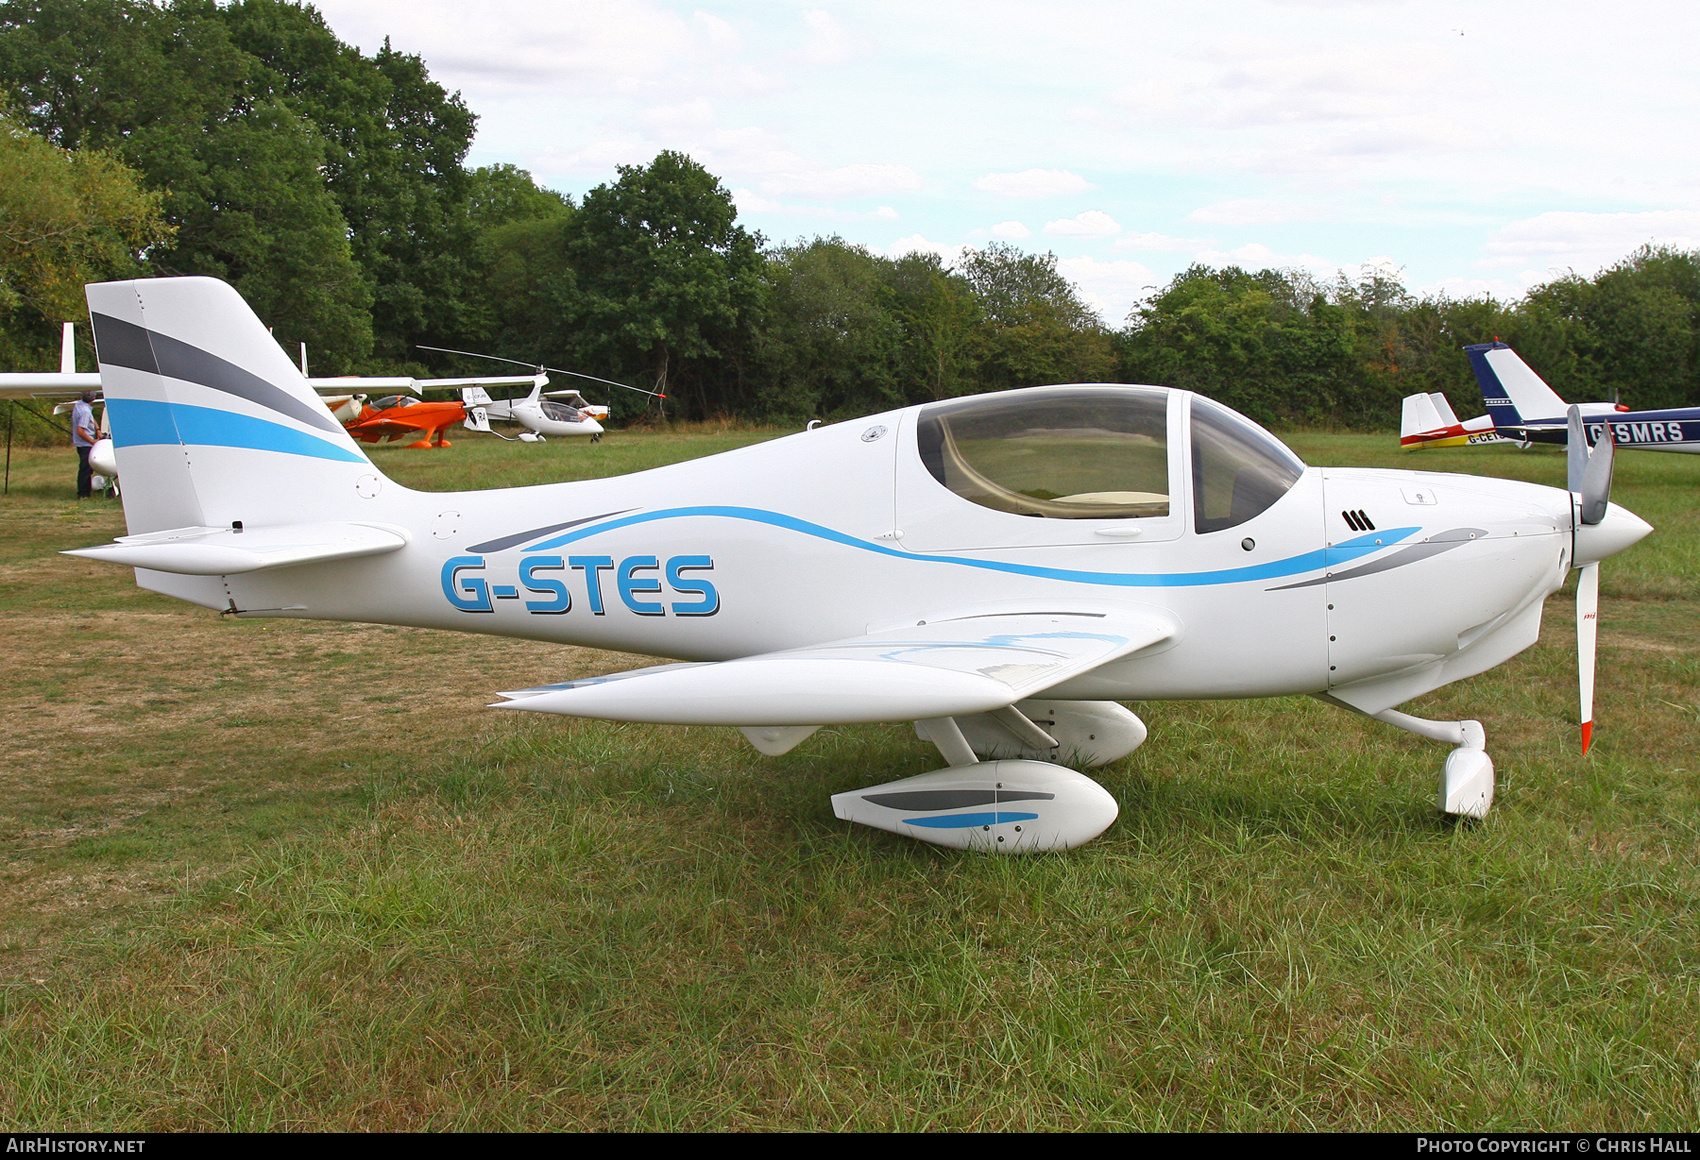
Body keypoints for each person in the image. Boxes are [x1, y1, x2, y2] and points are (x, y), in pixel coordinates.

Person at [71, 391, 98, 498]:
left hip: (80, 443)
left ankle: (86, 491)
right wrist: (92, 441)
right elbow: (80, 431)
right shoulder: (85, 412)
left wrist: (98, 429)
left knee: (86, 468)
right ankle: (83, 493)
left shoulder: (79, 405)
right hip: (85, 444)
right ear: (93, 399)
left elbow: (90, 419)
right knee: (85, 469)